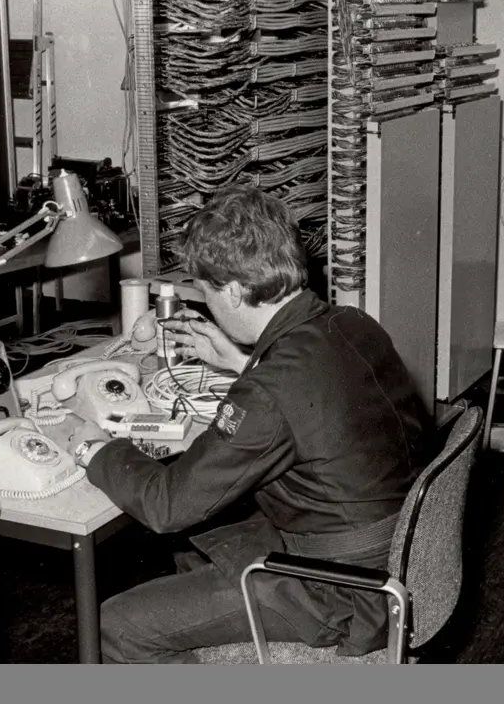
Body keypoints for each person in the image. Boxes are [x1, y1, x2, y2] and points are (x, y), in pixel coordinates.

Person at [69, 184, 432, 663]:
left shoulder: (269, 391)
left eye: (206, 292)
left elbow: (167, 504)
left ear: (236, 291)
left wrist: (96, 449)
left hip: (340, 589)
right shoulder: (353, 322)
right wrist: (244, 363)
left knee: (116, 624)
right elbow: (318, 397)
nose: (207, 305)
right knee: (198, 540)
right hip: (389, 554)